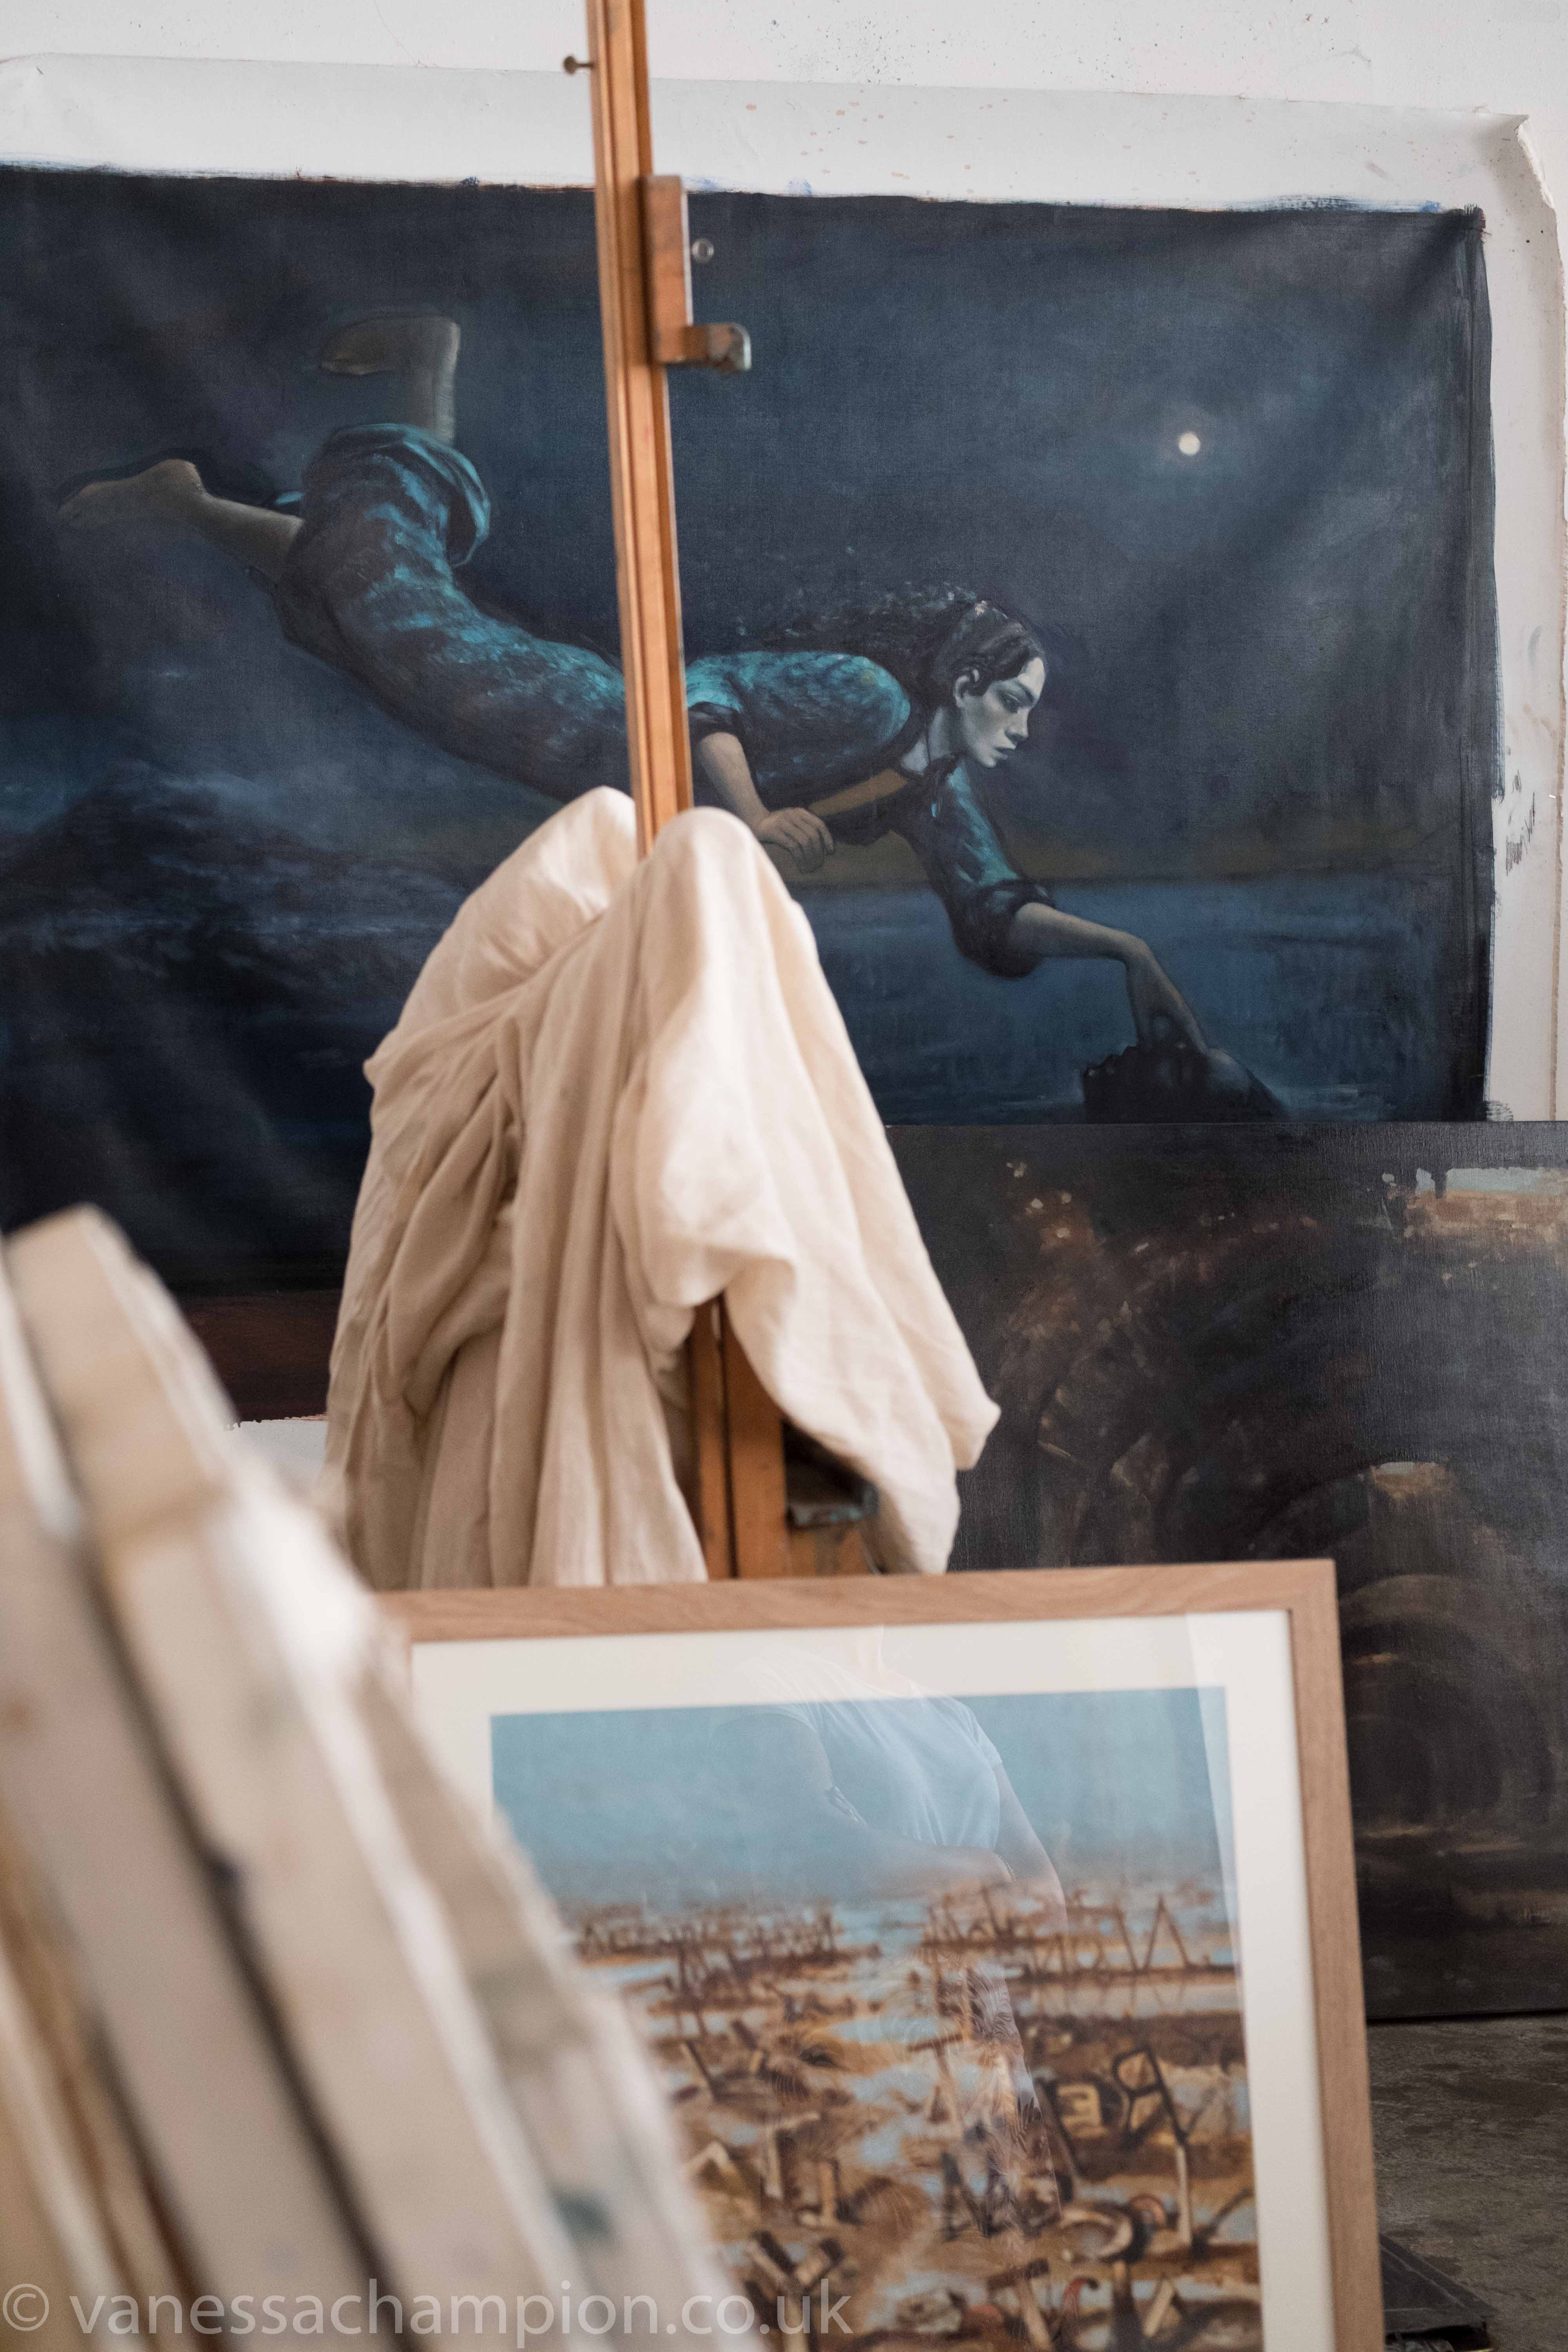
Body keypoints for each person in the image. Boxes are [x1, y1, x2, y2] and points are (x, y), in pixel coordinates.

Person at [60, 312, 1205, 1051]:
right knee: (392, 600)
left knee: (368, 617)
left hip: (567, 763)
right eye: (1012, 698)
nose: (1021, 727)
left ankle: (186, 505)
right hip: (570, 713)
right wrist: (751, 815)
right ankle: (428, 361)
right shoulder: (868, 695)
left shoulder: (931, 785)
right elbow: (705, 692)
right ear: (962, 681)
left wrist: (1131, 953)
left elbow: (993, 909)